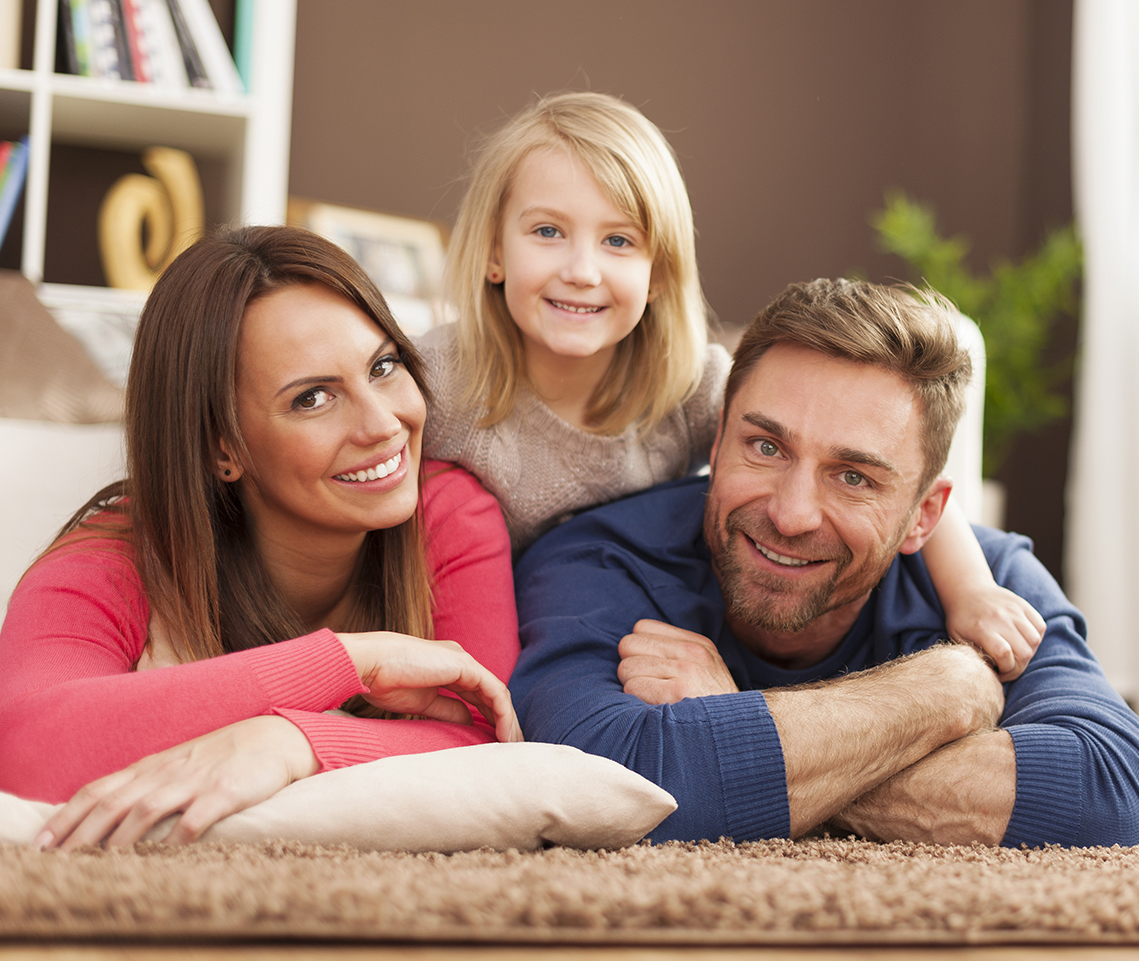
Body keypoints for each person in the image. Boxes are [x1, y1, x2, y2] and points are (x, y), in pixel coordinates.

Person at [510, 279, 1139, 848]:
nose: (792, 513)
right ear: (718, 439)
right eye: (765, 446)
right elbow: (594, 775)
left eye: (853, 476)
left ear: (924, 517)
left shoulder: (988, 587)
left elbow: (1110, 789)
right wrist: (942, 693)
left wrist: (735, 718)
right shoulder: (596, 559)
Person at [420, 91, 1046, 681]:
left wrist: (972, 592)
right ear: (493, 253)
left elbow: (906, 482)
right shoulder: (437, 383)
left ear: (659, 274)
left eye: (618, 241)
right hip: (458, 624)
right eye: (548, 232)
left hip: (603, 628)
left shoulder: (690, 388)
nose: (582, 271)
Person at [0, 226, 521, 850]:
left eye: (383, 366)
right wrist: (350, 661)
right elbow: (24, 750)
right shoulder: (115, 557)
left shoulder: (450, 513)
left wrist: (286, 740)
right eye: (313, 398)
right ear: (221, 448)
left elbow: (488, 733)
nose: (383, 424)